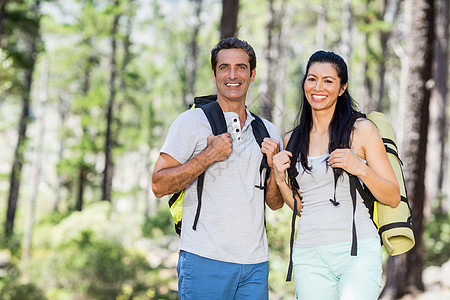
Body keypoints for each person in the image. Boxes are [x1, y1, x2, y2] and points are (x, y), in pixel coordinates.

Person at [151, 37, 284, 300]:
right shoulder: (191, 122)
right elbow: (158, 184)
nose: (232, 75)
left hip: (254, 266)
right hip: (204, 259)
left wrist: (274, 169)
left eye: (241, 67)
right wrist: (207, 156)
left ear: (252, 73)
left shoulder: (269, 131)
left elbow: (275, 203)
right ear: (214, 75)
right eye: (224, 67)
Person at [271, 50, 400, 300]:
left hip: (356, 250)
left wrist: (359, 167)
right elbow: (302, 208)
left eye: (328, 81)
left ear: (342, 89)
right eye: (312, 79)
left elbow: (393, 196)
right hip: (309, 254)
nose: (318, 87)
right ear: (304, 83)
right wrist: (278, 178)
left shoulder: (361, 131)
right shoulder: (292, 139)